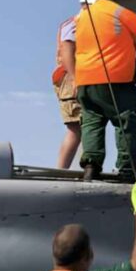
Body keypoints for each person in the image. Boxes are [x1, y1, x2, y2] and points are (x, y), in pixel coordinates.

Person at [73, 0, 136, 182]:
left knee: (92, 122)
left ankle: (91, 166)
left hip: (85, 80)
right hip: (114, 78)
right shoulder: (122, 10)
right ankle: (127, 170)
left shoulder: (82, 15)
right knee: (127, 121)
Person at [54, 9, 81, 169]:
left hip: (73, 75)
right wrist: (75, 77)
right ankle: (61, 171)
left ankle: (87, 170)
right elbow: (67, 48)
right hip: (71, 76)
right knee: (76, 128)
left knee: (86, 128)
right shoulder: (76, 22)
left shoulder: (75, 21)